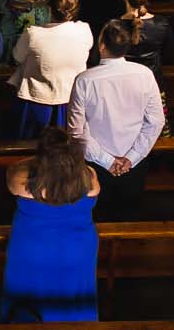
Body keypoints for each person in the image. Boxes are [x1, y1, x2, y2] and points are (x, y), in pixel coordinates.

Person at [67, 20, 165, 219]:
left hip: (97, 164)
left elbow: (76, 131)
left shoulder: (85, 80)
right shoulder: (144, 75)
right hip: (133, 164)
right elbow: (156, 121)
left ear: (102, 45)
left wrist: (107, 161)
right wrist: (132, 157)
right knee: (129, 215)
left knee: (98, 217)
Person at [2, 126, 100, 323]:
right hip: (77, 248)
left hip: (34, 247)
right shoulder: (88, 177)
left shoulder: (22, 182)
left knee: (29, 293)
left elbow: (12, 169)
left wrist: (39, 162)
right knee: (72, 293)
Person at [16, 0, 92, 136]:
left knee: (32, 146)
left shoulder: (33, 34)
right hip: (70, 101)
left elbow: (17, 57)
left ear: (49, 9)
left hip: (36, 101)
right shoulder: (84, 31)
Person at [117, 0, 174, 76]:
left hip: (123, 86)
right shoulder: (162, 24)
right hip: (152, 84)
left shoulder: (113, 27)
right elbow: (169, 56)